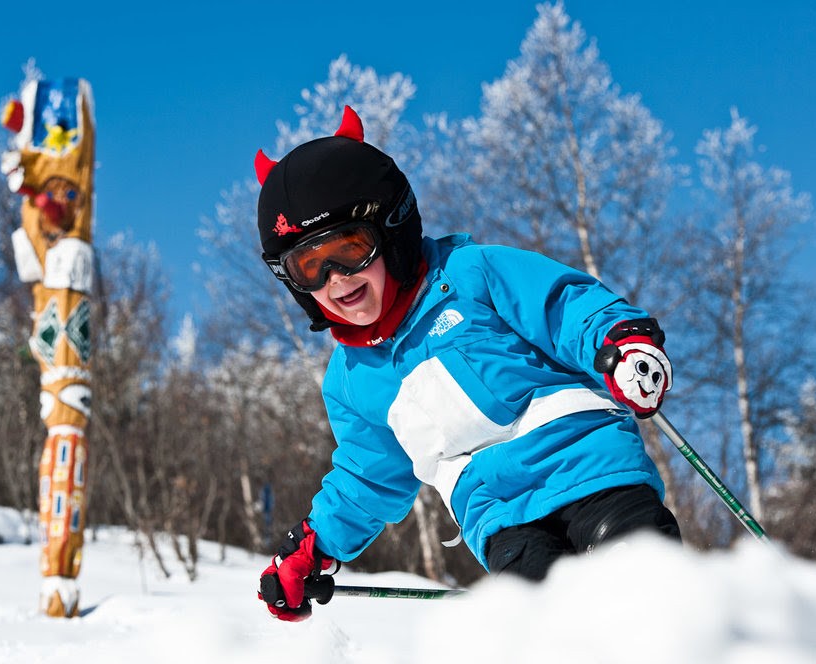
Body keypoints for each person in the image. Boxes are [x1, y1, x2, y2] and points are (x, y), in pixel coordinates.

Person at [253, 106, 680, 621]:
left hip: (589, 468)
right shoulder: (352, 382)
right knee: (556, 629)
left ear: (391, 229)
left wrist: (620, 344)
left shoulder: (470, 275)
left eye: (351, 248)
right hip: (500, 521)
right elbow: (369, 476)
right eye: (311, 266)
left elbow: (563, 306)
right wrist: (312, 549)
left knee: (639, 587)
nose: (337, 278)